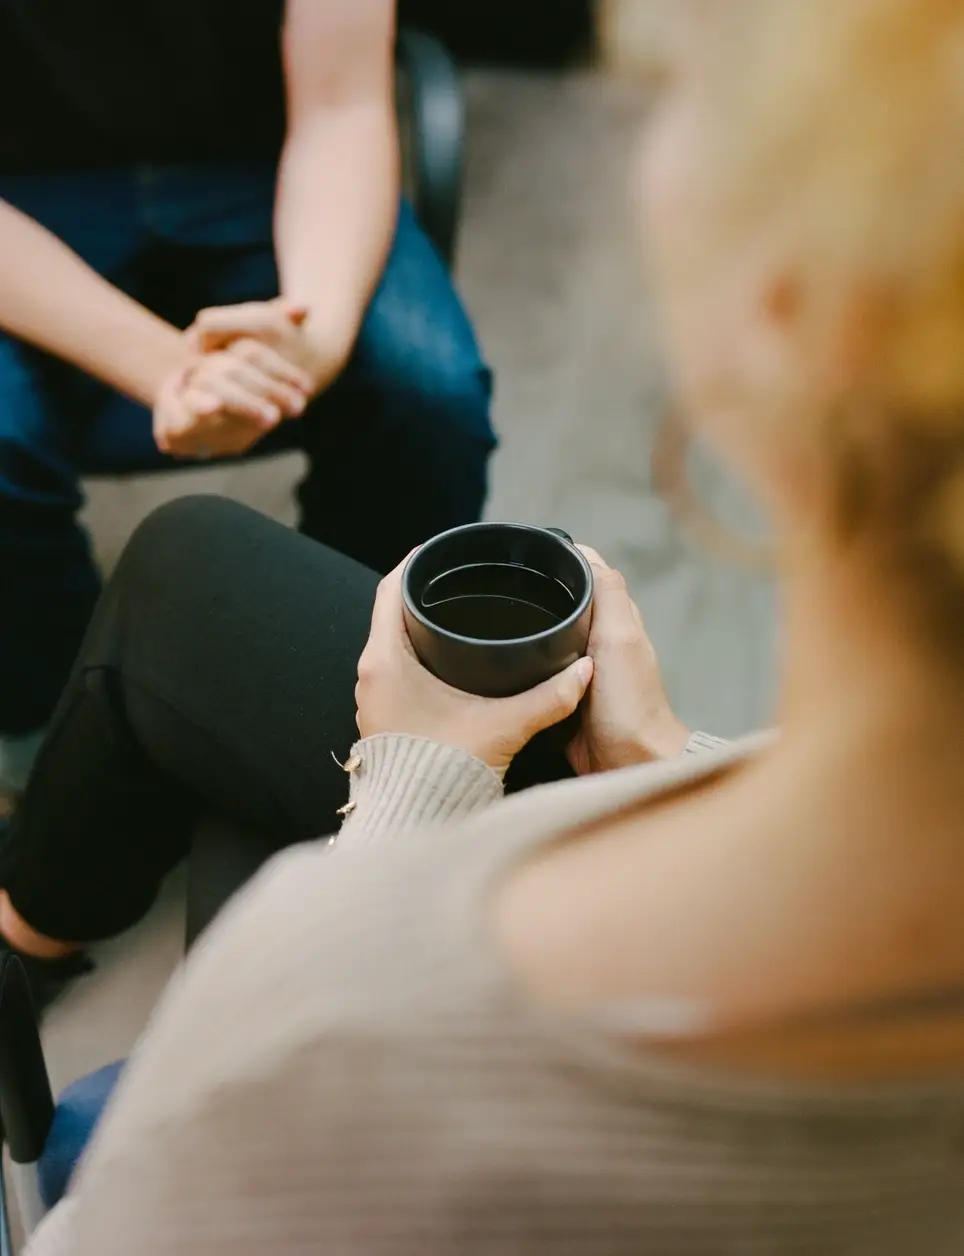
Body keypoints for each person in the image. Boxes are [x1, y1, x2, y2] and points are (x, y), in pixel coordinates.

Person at [16, 0, 964, 1250]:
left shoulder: (310, 1026)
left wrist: (402, 796)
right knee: (191, 566)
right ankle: (31, 910)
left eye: (672, 98)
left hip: (304, 1032)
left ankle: (26, 919)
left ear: (784, 315)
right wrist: (663, 759)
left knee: (236, 571)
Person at [0, 0, 496, 802]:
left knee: (428, 395)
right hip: (22, 200)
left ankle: (358, 702)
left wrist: (316, 342)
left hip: (265, 164)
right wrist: (170, 369)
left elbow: (342, 106)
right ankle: (62, 738)